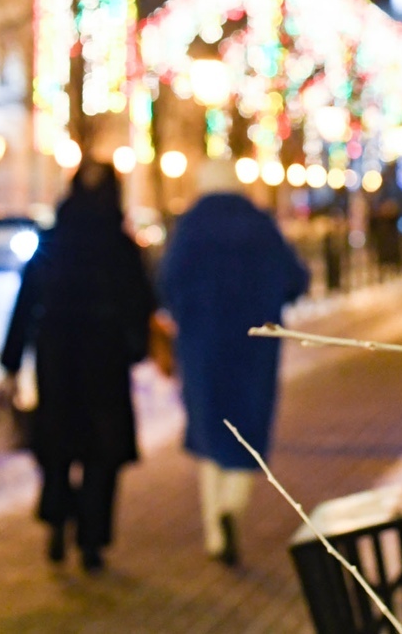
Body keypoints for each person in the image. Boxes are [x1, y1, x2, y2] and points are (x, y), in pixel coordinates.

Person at [0, 160, 156, 573]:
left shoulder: (54, 240)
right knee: (102, 452)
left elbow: (26, 300)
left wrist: (11, 358)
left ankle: (57, 520)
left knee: (57, 443)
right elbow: (142, 301)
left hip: (58, 356)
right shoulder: (121, 246)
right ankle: (91, 541)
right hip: (105, 359)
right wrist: (136, 347)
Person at [157, 159, 309, 566]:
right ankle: (231, 508)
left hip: (201, 346)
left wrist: (187, 311)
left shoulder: (190, 227)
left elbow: (166, 281)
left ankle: (213, 532)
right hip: (254, 347)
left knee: (210, 432)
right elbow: (296, 279)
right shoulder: (261, 226)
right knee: (248, 430)